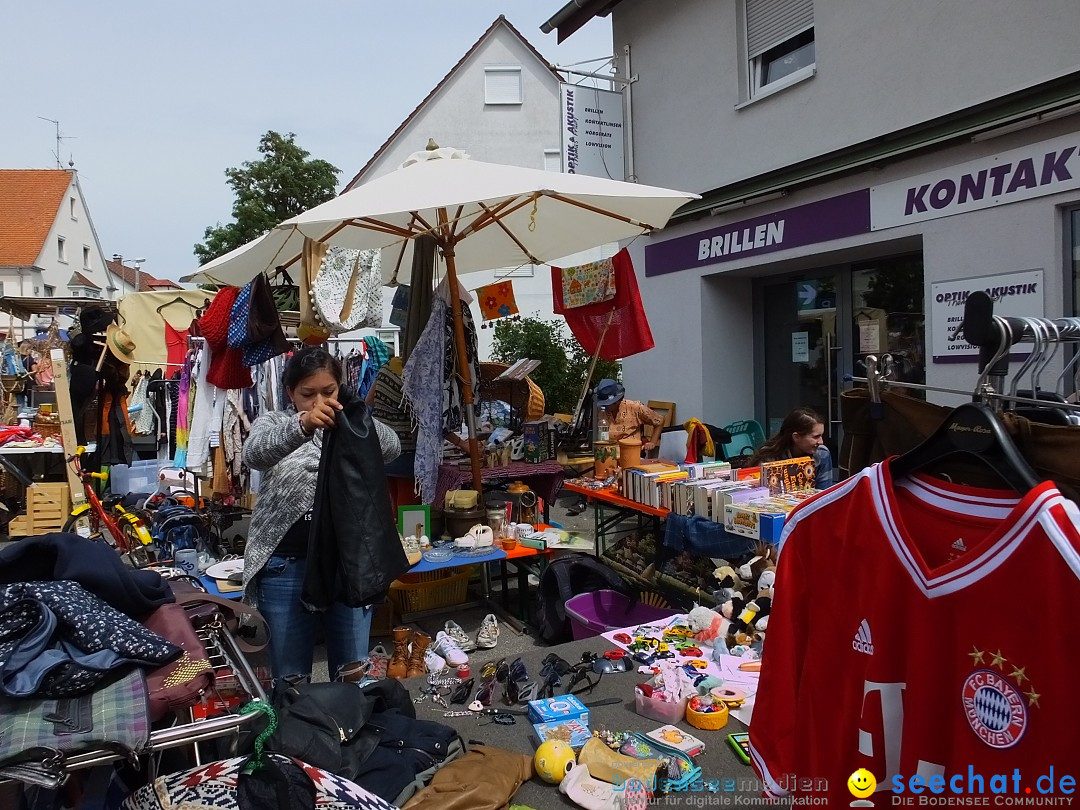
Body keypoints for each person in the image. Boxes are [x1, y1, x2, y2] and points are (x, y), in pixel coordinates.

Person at [244, 347, 402, 683]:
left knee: (351, 673)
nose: (318, 402)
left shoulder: (350, 420)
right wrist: (301, 426)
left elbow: (392, 447)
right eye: (308, 394)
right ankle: (296, 733)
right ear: (290, 393)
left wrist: (355, 418)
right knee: (290, 678)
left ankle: (347, 732)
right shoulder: (275, 422)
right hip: (286, 567)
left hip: (346, 566)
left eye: (328, 392)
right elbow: (254, 453)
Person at [565, 378, 665, 516]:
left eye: (610, 403)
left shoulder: (635, 407)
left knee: (619, 465)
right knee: (586, 462)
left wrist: (652, 442)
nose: (607, 406)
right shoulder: (602, 411)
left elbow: (659, 420)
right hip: (609, 448)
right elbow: (602, 433)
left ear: (618, 400)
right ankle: (584, 499)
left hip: (629, 450)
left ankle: (629, 502)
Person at [748, 406, 834, 489]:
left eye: (821, 436)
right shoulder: (769, 456)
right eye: (816, 437)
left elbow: (825, 492)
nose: (821, 442)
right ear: (796, 437)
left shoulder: (822, 453)